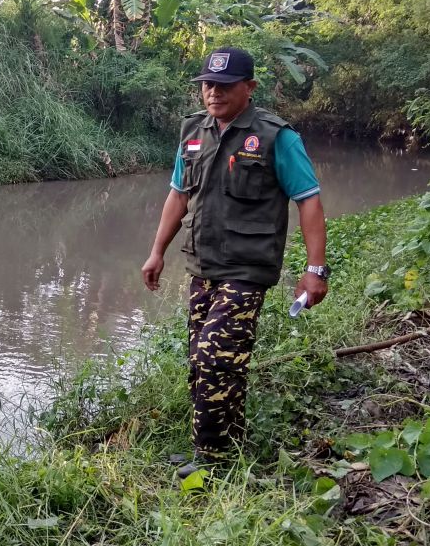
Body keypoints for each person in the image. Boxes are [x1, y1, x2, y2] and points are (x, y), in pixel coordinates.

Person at [141, 47, 329, 478]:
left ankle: (211, 459)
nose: (214, 92)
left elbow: (308, 201)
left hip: (247, 268)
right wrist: (157, 251)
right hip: (202, 265)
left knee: (215, 357)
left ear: (249, 87)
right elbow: (178, 195)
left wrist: (315, 269)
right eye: (208, 84)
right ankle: (226, 442)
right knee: (205, 360)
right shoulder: (193, 131)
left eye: (225, 85)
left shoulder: (276, 137)